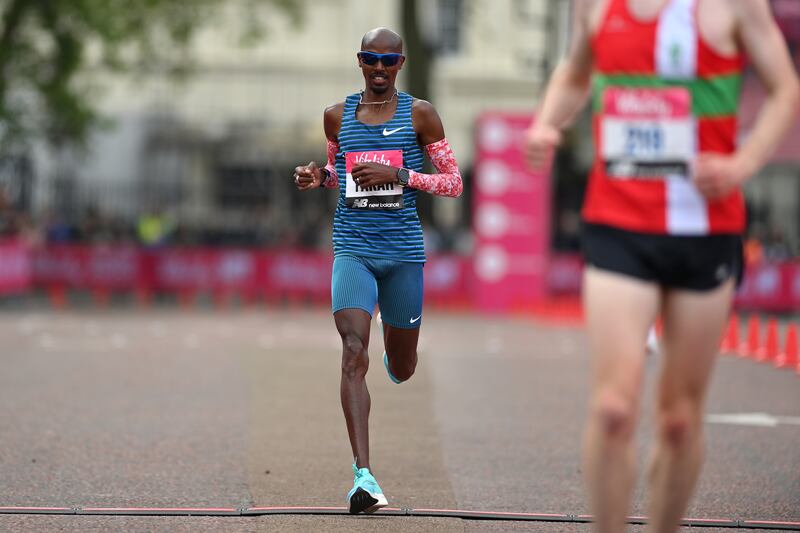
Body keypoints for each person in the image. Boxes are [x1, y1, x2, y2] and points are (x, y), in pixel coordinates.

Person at [525, 1, 799, 532]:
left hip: (705, 231)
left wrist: (742, 163)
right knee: (613, 409)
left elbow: (787, 89)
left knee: (677, 421)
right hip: (618, 224)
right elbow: (576, 72)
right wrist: (545, 123)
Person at [294, 27, 463, 514]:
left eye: (389, 61)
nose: (380, 68)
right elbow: (338, 172)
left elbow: (453, 184)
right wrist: (317, 177)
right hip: (353, 247)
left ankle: (398, 357)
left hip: (403, 252)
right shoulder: (336, 116)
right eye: (372, 59)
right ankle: (363, 478)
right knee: (352, 351)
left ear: (401, 64)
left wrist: (402, 175)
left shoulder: (421, 114)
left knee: (403, 369)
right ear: (360, 61)